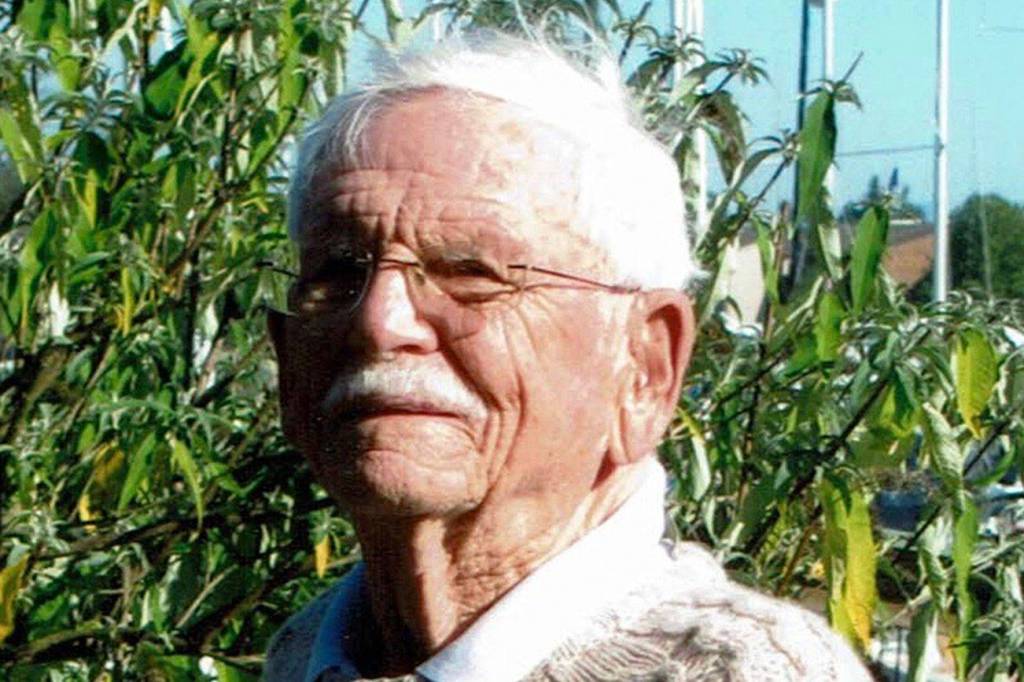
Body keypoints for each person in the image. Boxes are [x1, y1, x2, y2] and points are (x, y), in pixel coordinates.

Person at [265, 30, 870, 682]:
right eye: (336, 271)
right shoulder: (306, 653)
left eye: (471, 273)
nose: (379, 322)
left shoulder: (739, 673)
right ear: (286, 358)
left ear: (645, 369)